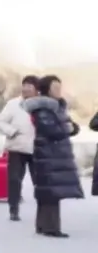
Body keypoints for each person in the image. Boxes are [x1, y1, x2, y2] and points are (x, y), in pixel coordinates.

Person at [24, 74, 83, 238]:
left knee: (48, 191)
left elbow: (72, 126)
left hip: (54, 153)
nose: (58, 90)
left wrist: (71, 128)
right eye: (55, 87)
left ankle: (43, 225)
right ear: (47, 89)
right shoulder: (43, 108)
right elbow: (51, 130)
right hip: (48, 153)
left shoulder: (57, 107)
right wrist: (67, 129)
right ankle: (51, 227)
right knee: (51, 191)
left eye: (59, 87)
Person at [0, 75, 39, 221]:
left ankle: (43, 210)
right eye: (24, 85)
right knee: (14, 180)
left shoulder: (41, 104)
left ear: (37, 90)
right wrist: (12, 131)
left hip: (37, 148)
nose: (26, 89)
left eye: (30, 86)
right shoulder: (13, 104)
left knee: (40, 181)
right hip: (17, 147)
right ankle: (13, 208)